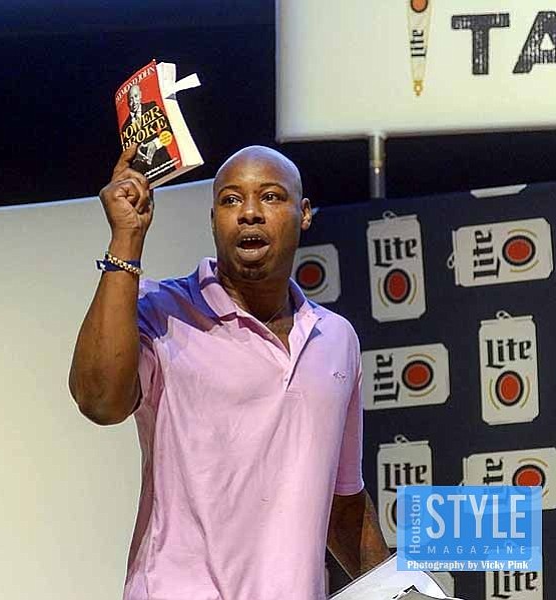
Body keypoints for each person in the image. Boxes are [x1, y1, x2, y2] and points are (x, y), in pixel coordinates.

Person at [68, 144, 389, 600]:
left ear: (304, 214)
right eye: (231, 199)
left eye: (271, 197)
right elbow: (98, 401)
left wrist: (399, 590)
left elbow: (342, 501)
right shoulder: (163, 312)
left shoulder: (336, 339)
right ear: (213, 219)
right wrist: (126, 238)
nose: (249, 212)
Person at [121, 84, 173, 172]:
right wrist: (136, 155)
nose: (134, 102)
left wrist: (155, 144)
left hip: (164, 164)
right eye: (131, 99)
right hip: (143, 171)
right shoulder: (125, 127)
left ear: (140, 95)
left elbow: (169, 128)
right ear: (127, 102)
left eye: (136, 96)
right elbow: (127, 154)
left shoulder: (152, 107)